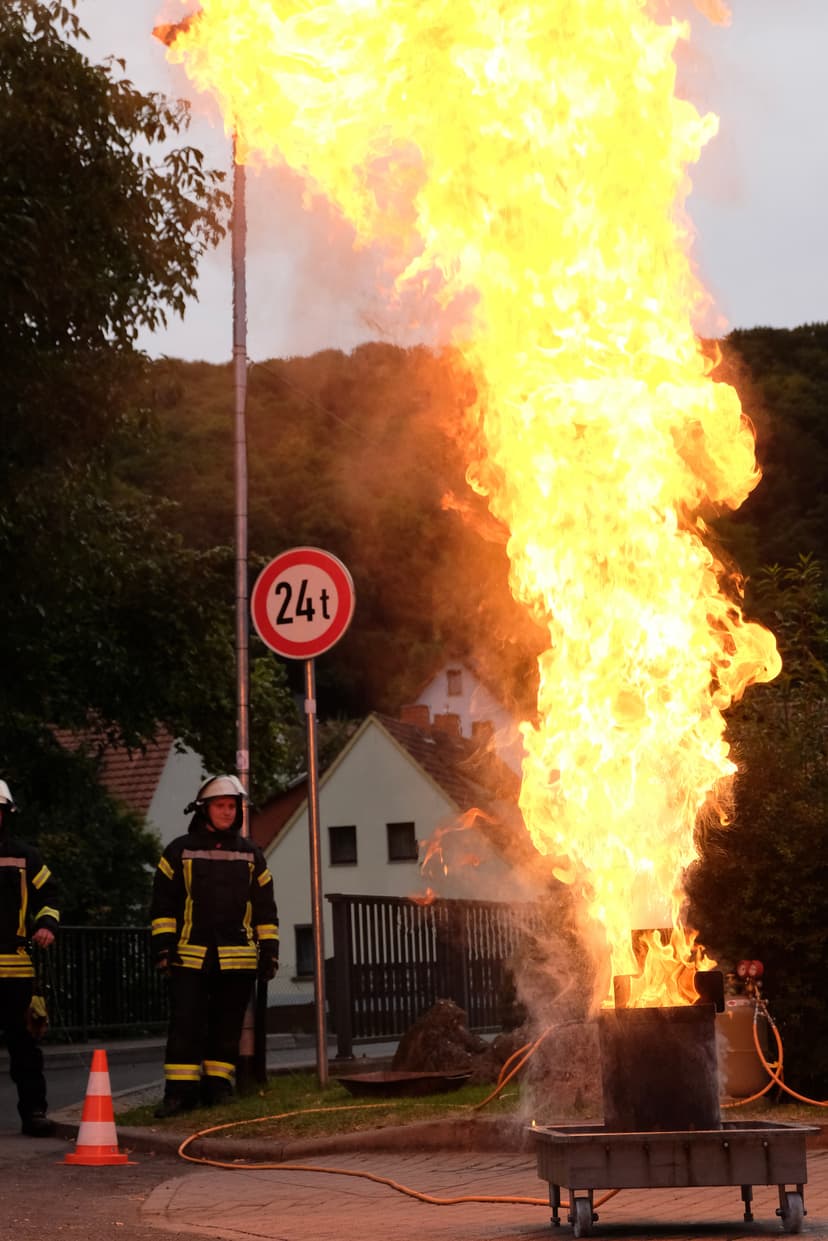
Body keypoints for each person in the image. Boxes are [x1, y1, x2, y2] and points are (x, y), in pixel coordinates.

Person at [150, 774, 279, 1117]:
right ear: (203, 809)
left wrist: (269, 952)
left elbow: (265, 909)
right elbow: (163, 905)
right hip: (188, 958)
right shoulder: (178, 851)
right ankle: (179, 1094)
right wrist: (163, 948)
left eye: (232, 806)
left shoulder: (252, 855)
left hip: (237, 959)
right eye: (220, 806)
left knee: (227, 1027)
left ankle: (218, 1088)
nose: (227, 812)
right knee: (185, 1025)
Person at [0, 779, 60, 1137]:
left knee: (24, 1047)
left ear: (6, 814)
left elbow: (49, 896)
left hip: (15, 968)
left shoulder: (26, 857)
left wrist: (47, 924)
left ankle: (34, 1112)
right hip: (15, 969)